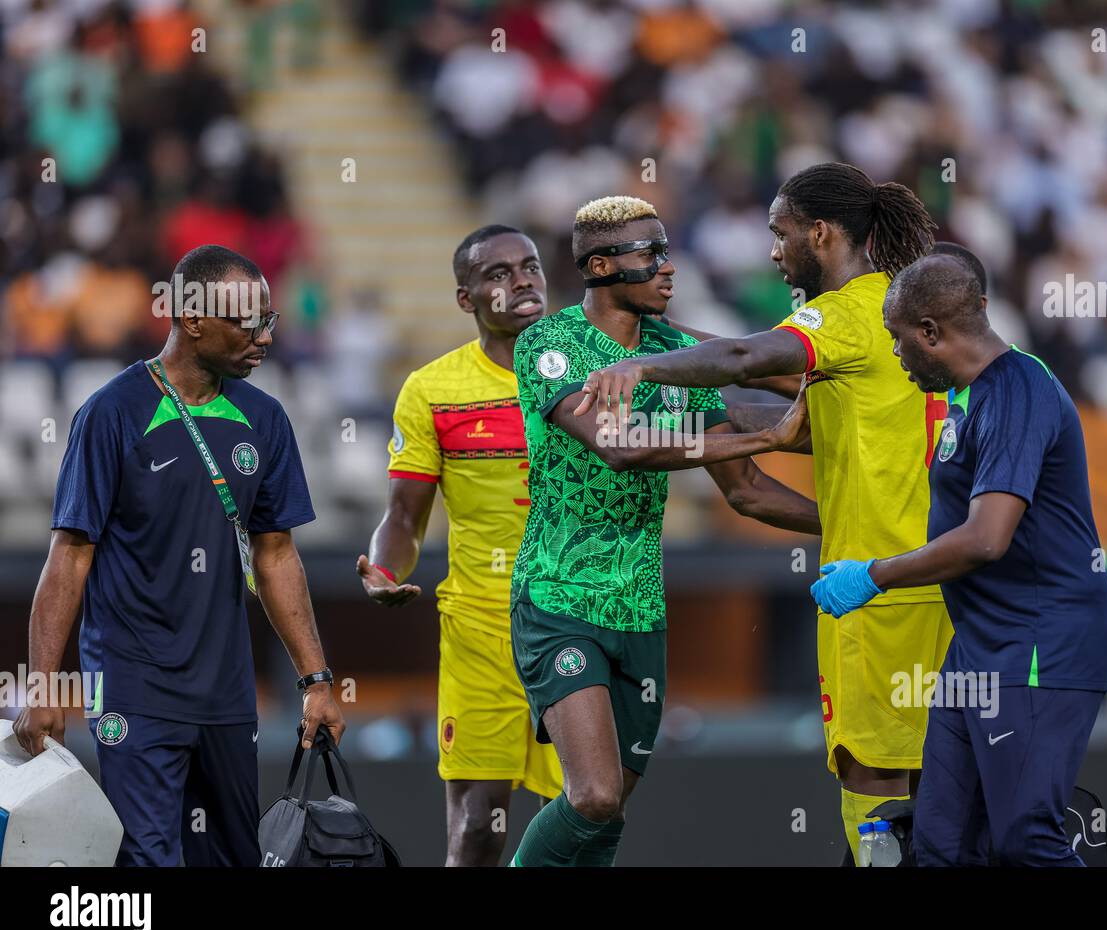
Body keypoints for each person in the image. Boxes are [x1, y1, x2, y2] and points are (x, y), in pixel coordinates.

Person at [574, 163, 950, 861]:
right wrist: (673, 347)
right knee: (938, 771)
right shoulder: (902, 314)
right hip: (938, 574)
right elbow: (806, 423)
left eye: (780, 234)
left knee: (872, 769)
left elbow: (747, 356)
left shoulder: (841, 314)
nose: (774, 252)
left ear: (820, 232)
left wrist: (641, 368)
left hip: (878, 593)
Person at [509, 195, 818, 866]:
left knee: (609, 807)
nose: (668, 268)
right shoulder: (549, 344)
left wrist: (852, 527)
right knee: (590, 794)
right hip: (559, 596)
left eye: (667, 250)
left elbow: (749, 493)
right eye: (649, 255)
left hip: (641, 607)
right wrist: (764, 433)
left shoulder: (676, 355)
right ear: (598, 266)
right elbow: (616, 443)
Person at [15, 244, 344, 867]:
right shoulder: (112, 413)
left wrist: (317, 681)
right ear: (192, 319)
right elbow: (69, 557)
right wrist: (41, 684)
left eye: (269, 322)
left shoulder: (266, 418)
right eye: (249, 322)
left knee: (230, 857)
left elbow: (275, 555)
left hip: (226, 689)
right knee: (148, 860)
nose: (265, 337)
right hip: (132, 683)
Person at [812, 253, 1107, 865]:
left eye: (899, 341)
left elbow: (986, 539)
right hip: (976, 647)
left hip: (1037, 644)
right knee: (941, 845)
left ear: (930, 333)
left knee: (1027, 837)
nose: (895, 356)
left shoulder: (1018, 388)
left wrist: (874, 576)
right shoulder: (968, 399)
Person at [355, 225, 564, 866]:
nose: (521, 280)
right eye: (498, 273)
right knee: (480, 823)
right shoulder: (433, 390)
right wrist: (386, 569)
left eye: (529, 266)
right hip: (481, 623)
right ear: (464, 297)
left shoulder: (594, 371)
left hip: (579, 618)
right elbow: (404, 516)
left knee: (583, 811)